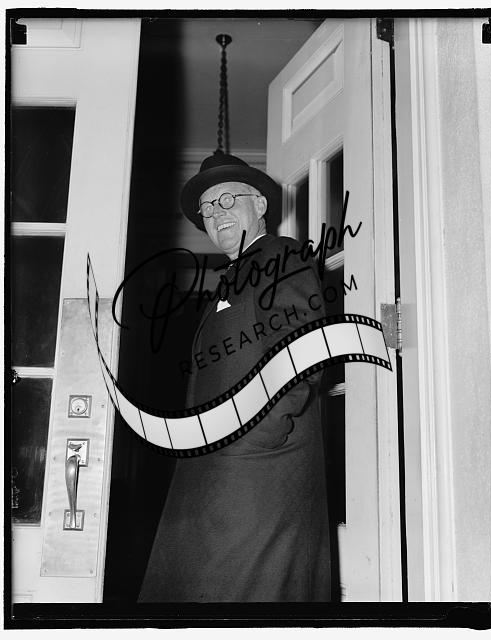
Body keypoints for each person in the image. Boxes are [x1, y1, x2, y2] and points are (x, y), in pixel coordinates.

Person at [139, 151, 331, 602]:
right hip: (222, 479)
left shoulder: (282, 256)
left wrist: (253, 438)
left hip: (254, 479)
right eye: (207, 207)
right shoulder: (236, 276)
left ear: (259, 205)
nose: (215, 213)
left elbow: (302, 353)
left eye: (227, 199)